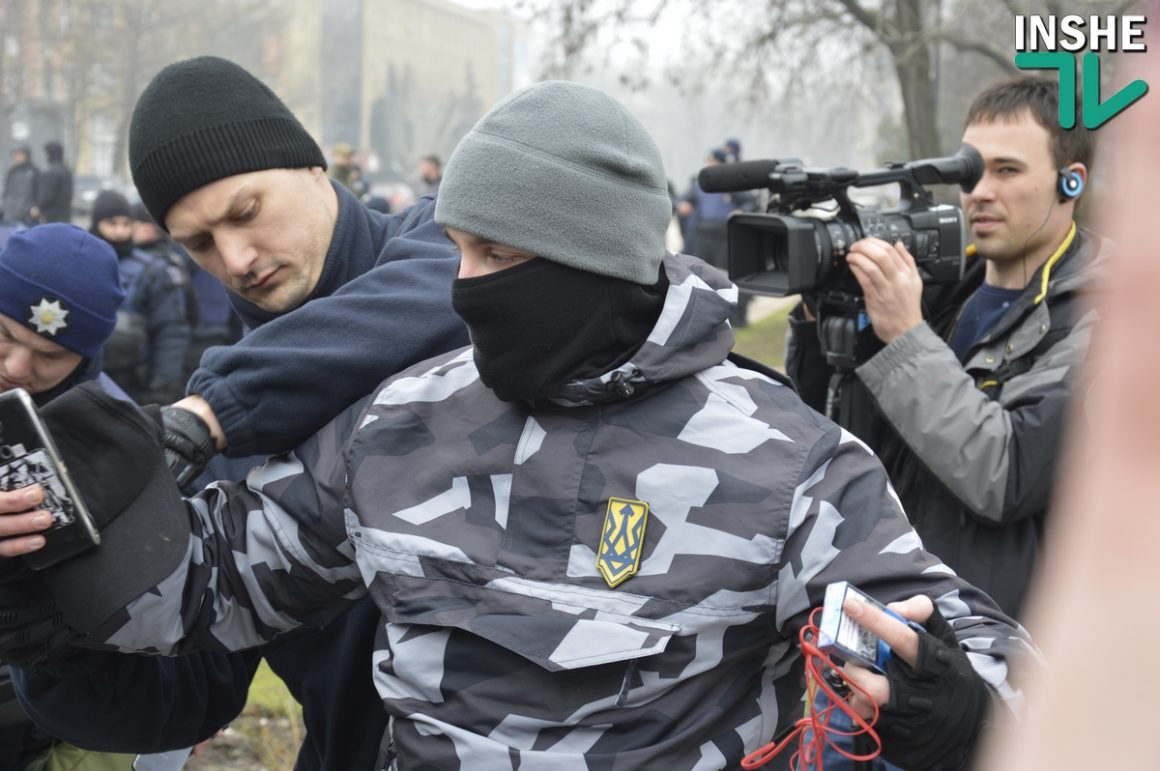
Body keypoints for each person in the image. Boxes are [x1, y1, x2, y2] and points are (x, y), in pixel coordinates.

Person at [8, 81, 1030, 770]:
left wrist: (964, 708)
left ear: (593, 255)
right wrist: (54, 577)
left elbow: (982, 657)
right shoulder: (394, 427)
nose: (464, 288)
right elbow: (205, 592)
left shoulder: (786, 458)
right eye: (456, 249)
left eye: (497, 253)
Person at [5, 54, 470, 771]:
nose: (236, 256)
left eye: (246, 212)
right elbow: (191, 689)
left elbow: (443, 287)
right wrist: (56, 631)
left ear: (313, 166)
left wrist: (209, 411)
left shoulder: (455, 248)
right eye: (197, 243)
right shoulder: (219, 432)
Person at [787, 74, 1108, 623]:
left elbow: (1006, 473)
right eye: (971, 170)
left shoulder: (1112, 317)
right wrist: (825, 321)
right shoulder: (936, 290)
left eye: (1007, 171)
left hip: (1007, 643)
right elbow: (837, 435)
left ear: (1070, 183)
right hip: (890, 615)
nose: (981, 190)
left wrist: (906, 339)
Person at [0, 223, 136, 770]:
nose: (16, 368)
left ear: (84, 361)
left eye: (49, 355)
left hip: (47, 725)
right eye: (4, 335)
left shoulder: (114, 449)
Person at [88, 190, 192, 405]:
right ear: (97, 223)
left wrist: (162, 388)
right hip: (86, 383)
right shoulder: (81, 264)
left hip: (135, 384)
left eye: (126, 224)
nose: (119, 231)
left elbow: (171, 332)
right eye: (111, 223)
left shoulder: (153, 270)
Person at [677, 148, 753, 327]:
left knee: (727, 277)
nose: (710, 165)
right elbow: (685, 199)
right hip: (703, 236)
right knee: (700, 276)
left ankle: (735, 318)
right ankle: (706, 318)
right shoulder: (700, 183)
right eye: (708, 161)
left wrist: (741, 210)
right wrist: (684, 204)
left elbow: (749, 201)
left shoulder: (730, 182)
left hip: (723, 237)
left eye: (713, 162)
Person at [34, 142, 73, 224]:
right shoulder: (66, 170)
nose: (43, 156)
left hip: (51, 215)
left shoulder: (50, 172)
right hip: (65, 213)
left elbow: (46, 196)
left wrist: (38, 207)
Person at [1, 147, 39, 226]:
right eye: (15, 155)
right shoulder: (11, 172)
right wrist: (6, 207)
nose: (17, 157)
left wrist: (36, 207)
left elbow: (40, 192)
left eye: (20, 154)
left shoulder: (34, 171)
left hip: (29, 216)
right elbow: (6, 192)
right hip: (11, 216)